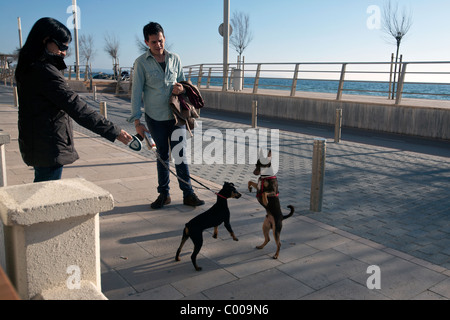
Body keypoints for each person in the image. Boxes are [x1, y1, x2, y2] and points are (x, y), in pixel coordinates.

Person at [15, 17, 133, 182]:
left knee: (42, 191)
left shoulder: (29, 66)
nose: (64, 52)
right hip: (48, 146)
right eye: (62, 46)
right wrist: (114, 131)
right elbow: (77, 107)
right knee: (46, 196)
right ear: (45, 40)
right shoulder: (44, 71)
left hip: (38, 142)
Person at [129, 22, 204, 209]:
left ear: (164, 38)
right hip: (155, 118)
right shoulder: (141, 63)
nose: (158, 45)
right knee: (162, 156)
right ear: (147, 42)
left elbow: (182, 84)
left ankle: (188, 194)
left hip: (176, 116)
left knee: (180, 155)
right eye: (154, 42)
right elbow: (136, 92)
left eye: (161, 41)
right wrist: (137, 121)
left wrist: (180, 88)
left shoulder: (175, 58)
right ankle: (164, 194)